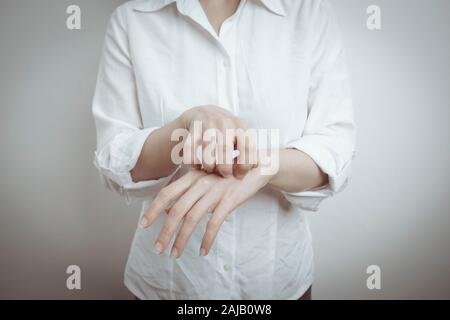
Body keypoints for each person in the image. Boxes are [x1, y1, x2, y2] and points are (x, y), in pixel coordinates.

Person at [92, 0, 355, 300]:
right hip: (168, 285)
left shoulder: (309, 14)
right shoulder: (133, 19)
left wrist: (262, 167)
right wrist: (184, 127)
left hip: (277, 283)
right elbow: (114, 161)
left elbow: (336, 151)